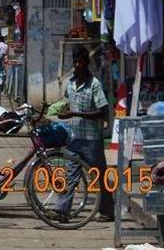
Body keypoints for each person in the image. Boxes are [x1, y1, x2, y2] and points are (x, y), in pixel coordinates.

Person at [57, 46, 113, 222]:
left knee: (99, 175)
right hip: (74, 138)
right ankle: (63, 211)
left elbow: (103, 112)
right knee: (70, 175)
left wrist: (76, 113)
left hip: (91, 140)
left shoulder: (95, 84)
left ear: (86, 63)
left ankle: (107, 211)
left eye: (80, 62)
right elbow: (68, 103)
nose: (77, 65)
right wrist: (65, 111)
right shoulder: (71, 84)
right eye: (75, 62)